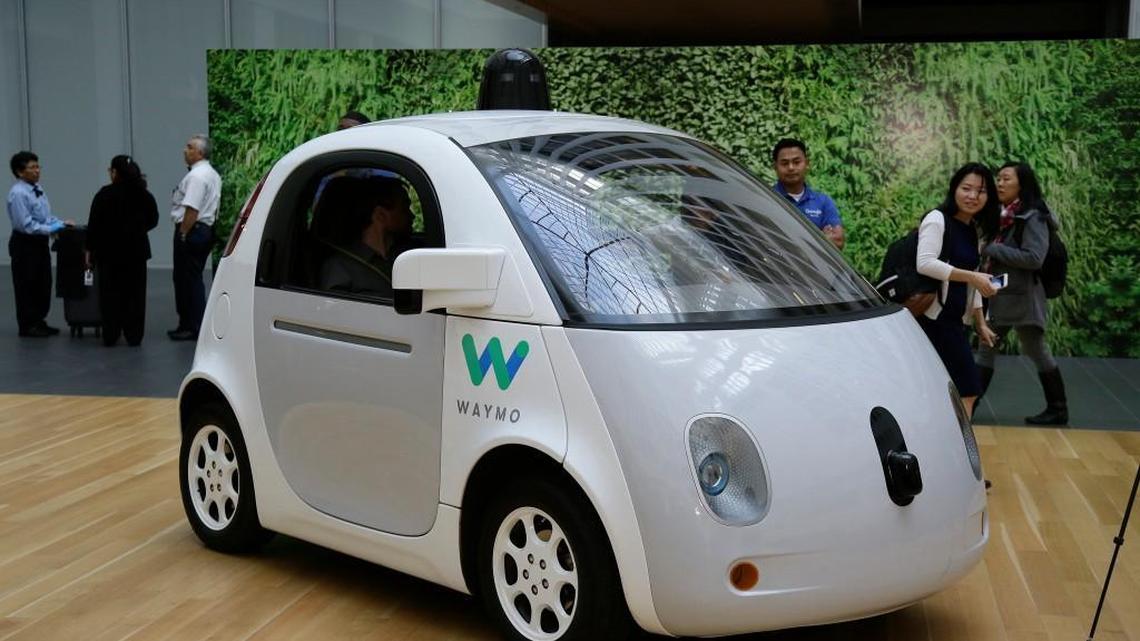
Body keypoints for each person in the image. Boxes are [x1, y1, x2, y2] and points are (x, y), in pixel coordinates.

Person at [975, 162, 1068, 425]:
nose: (999, 183)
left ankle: (1058, 409)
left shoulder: (1033, 216)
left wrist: (990, 248)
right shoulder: (1004, 215)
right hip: (1003, 293)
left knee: (1031, 350)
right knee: (990, 348)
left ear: (1022, 183)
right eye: (998, 178)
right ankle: (1058, 409)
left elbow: (1034, 258)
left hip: (1023, 297)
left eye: (1006, 178)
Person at [915, 162, 1001, 417]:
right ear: (954, 189)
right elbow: (925, 263)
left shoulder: (972, 229)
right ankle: (961, 441)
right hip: (933, 318)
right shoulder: (937, 219)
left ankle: (943, 438)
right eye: (966, 188)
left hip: (954, 320)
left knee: (946, 390)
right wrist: (972, 276)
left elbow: (972, 281)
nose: (973, 196)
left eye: (981, 191)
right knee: (968, 389)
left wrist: (980, 323)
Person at [86, 155, 159, 346]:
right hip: (136, 253)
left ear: (115, 172)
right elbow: (154, 219)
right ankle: (134, 335)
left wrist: (89, 251)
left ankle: (111, 334)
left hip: (108, 253)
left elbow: (93, 226)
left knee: (110, 294)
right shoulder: (144, 195)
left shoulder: (104, 195)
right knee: (135, 294)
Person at [7, 151, 73, 337]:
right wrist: (52, 228)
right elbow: (26, 225)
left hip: (39, 242)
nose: (37, 171)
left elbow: (44, 217)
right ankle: (27, 325)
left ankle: (38, 320)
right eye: (32, 167)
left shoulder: (37, 188)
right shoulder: (18, 194)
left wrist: (60, 223)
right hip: (25, 244)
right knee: (27, 284)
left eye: (38, 166)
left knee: (42, 283)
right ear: (20, 172)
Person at [319, 177, 413, 297]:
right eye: (404, 209)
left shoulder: (404, 257)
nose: (412, 215)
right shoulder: (339, 267)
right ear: (381, 215)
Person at [168, 135, 221, 341]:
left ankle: (191, 325)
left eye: (189, 147)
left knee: (186, 280)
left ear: (199, 153)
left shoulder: (196, 177)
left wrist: (183, 233)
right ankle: (193, 323)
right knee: (193, 277)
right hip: (204, 229)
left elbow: (192, 209)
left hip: (192, 229)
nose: (185, 150)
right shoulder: (212, 174)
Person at [771, 138, 844, 250]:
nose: (791, 167)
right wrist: (820, 236)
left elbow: (838, 241)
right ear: (775, 167)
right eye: (785, 163)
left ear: (807, 164)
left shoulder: (823, 202)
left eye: (796, 162)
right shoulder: (768, 198)